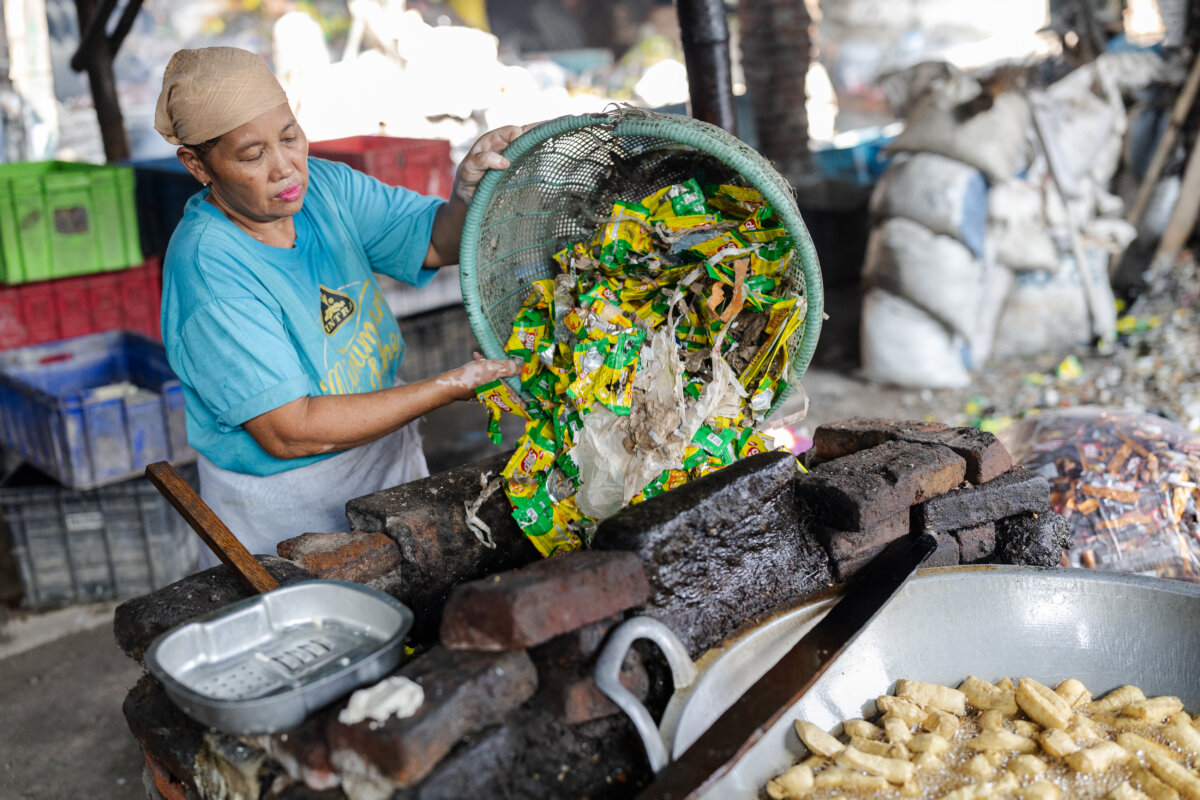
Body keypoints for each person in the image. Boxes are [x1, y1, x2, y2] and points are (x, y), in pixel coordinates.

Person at [154, 46, 522, 569]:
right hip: (290, 501)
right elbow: (290, 430)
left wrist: (467, 194)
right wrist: (450, 386)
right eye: (253, 155)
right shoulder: (208, 268)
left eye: (289, 137)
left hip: (384, 459)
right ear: (197, 165)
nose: (286, 168)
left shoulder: (326, 188)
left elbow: (434, 242)